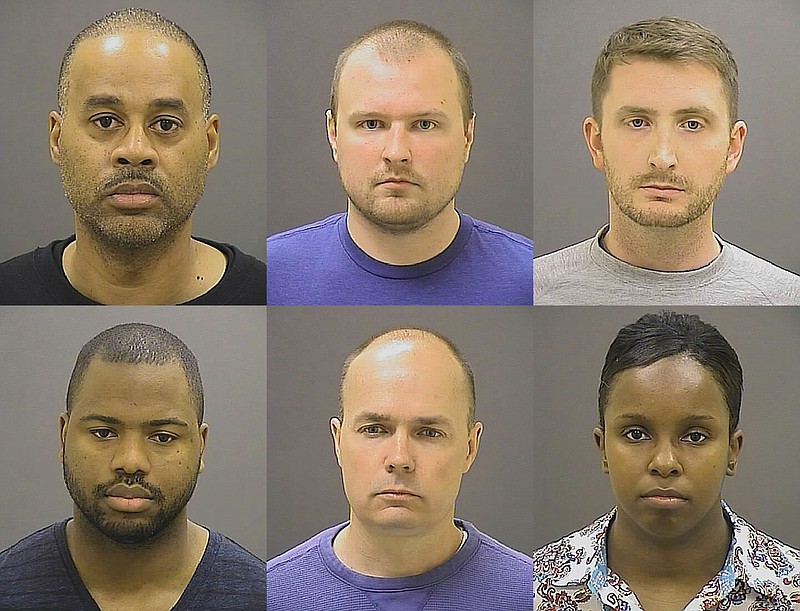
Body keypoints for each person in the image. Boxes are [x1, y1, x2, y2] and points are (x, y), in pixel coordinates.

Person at [533, 311, 800, 609]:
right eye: (636, 434)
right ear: (603, 447)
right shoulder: (536, 585)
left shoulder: (792, 589)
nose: (664, 462)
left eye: (695, 436)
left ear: (732, 450)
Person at [0, 8, 265, 305]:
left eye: (165, 124)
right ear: (57, 139)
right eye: (105, 121)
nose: (135, 150)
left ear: (210, 143)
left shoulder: (268, 291)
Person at [534, 16, 800, 305]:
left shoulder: (785, 297)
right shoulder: (532, 289)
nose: (662, 158)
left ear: (732, 147)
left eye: (692, 124)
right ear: (596, 142)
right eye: (637, 122)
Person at [0, 323, 266, 609]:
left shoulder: (263, 596)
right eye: (103, 432)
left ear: (200, 446)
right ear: (64, 436)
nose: (130, 462)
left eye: (163, 437)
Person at [266, 20, 533, 305]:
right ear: (333, 134)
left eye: (425, 124)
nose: (396, 152)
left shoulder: (529, 280)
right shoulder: (270, 276)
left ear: (468, 135)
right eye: (371, 124)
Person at [267, 328, 532, 610]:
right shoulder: (272, 594)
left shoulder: (532, 593)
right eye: (374, 429)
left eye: (429, 433)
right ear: (338, 441)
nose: (399, 458)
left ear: (470, 448)